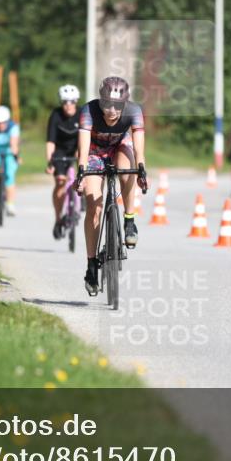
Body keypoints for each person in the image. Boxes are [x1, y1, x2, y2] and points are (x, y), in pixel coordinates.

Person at [74, 76, 148, 296]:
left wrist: (142, 169)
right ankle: (91, 265)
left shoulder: (134, 111)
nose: (112, 110)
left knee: (129, 168)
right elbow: (83, 149)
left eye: (117, 105)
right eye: (107, 104)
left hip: (119, 148)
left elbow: (138, 147)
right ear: (100, 101)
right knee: (94, 205)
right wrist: (81, 174)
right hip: (94, 152)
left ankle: (129, 220)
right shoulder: (88, 111)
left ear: (124, 103)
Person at [45, 84, 80, 239]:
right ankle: (59, 218)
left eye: (71, 101)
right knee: (60, 181)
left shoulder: (81, 115)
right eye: (65, 102)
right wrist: (50, 162)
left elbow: (86, 138)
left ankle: (82, 200)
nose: (68, 105)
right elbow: (50, 141)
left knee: (86, 174)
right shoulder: (56, 115)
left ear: (76, 102)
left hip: (78, 148)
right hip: (59, 151)